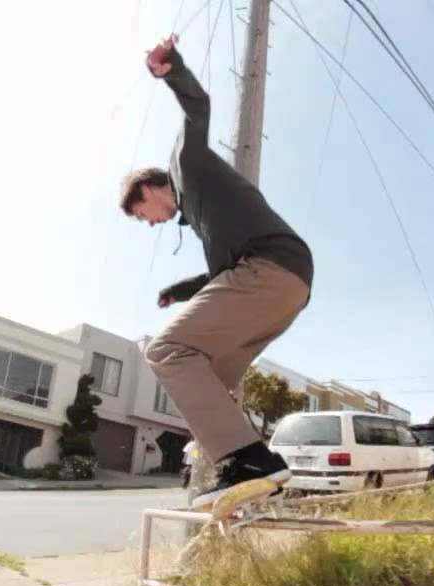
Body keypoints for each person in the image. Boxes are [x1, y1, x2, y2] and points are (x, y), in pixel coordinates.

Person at [119, 34, 313, 511]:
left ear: (148, 189)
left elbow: (197, 108)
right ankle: (242, 481)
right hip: (287, 287)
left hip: (268, 269)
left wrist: (171, 68)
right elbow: (222, 281)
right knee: (210, 375)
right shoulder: (206, 219)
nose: (151, 223)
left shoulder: (185, 166)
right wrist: (180, 290)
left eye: (143, 215)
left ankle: (250, 460)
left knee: (165, 350)